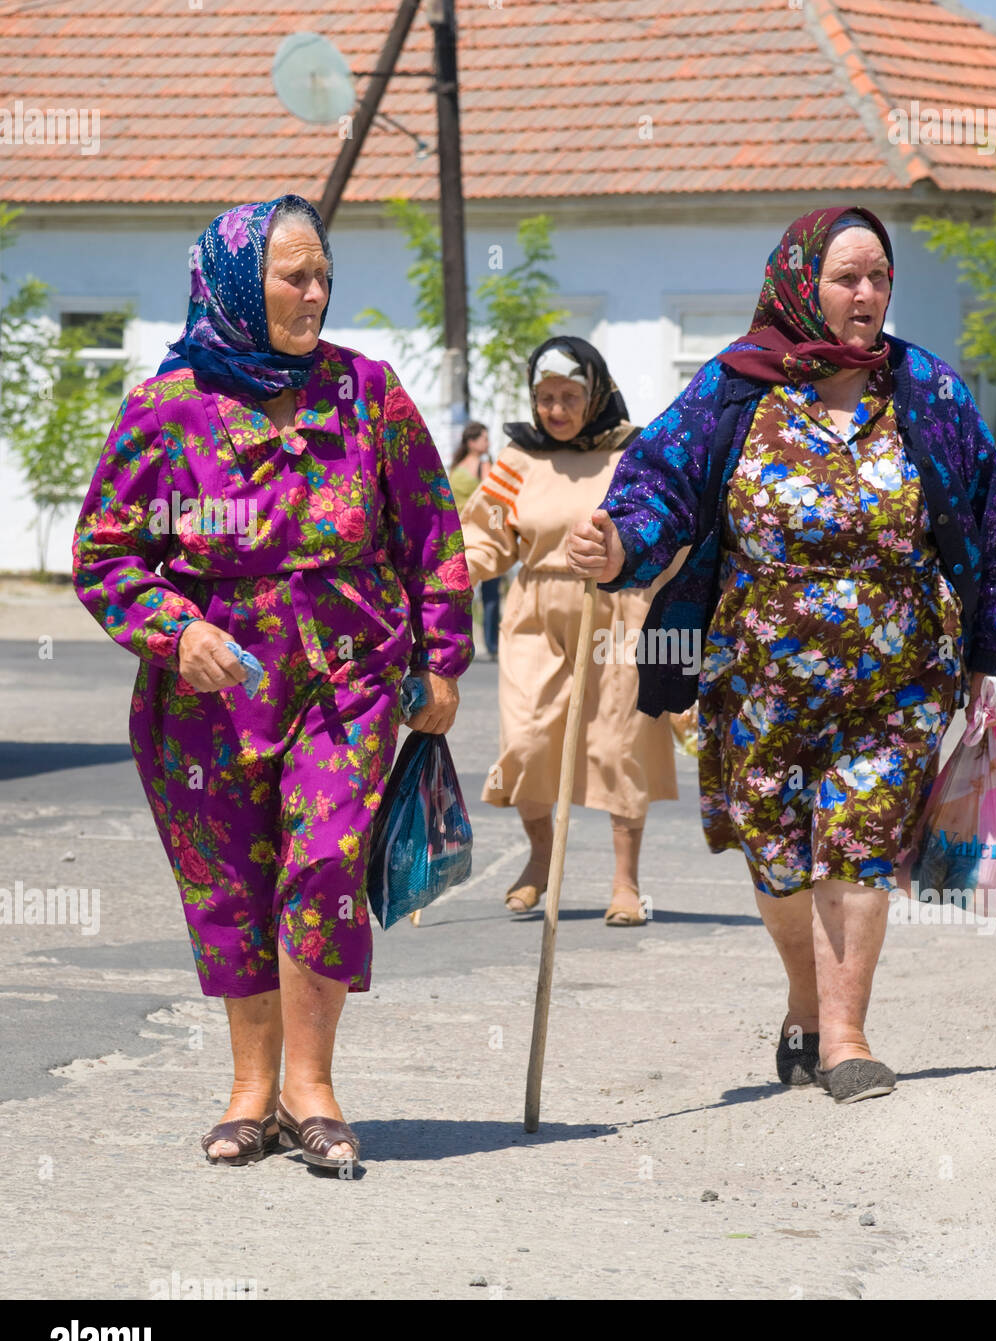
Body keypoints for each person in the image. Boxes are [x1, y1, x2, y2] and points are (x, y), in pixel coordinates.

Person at [567, 206, 996, 1103]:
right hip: (756, 677)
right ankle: (805, 999)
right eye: (846, 279)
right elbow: (658, 486)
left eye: (879, 279)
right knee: (778, 852)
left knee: (859, 845)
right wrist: (620, 546)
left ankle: (847, 1036)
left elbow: (991, 520)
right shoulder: (733, 388)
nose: (866, 296)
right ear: (801, 284)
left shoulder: (926, 391)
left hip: (897, 676)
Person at [71, 194, 473, 1168]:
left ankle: (312, 1086)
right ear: (241, 287)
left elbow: (431, 534)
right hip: (208, 701)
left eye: (322, 274)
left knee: (324, 867)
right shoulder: (166, 412)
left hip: (349, 684)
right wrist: (176, 630)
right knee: (232, 893)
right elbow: (103, 555)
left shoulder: (367, 392)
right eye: (294, 275)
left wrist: (442, 660)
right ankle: (251, 1090)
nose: (314, 291)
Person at [458, 337, 680, 926]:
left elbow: (666, 527)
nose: (555, 410)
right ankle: (539, 859)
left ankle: (626, 883)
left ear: (596, 393)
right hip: (535, 611)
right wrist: (443, 577)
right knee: (528, 740)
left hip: (618, 612)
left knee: (618, 747)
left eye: (569, 396)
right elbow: (485, 536)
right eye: (545, 397)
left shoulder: (635, 452)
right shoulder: (517, 460)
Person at [448, 422, 502, 659]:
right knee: (491, 594)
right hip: (483, 538)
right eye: (484, 439)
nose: (487, 443)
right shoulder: (484, 466)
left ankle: (460, 641)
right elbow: (494, 496)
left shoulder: (455, 468)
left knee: (462, 592)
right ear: (472, 442)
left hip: (459, 538)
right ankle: (491, 645)